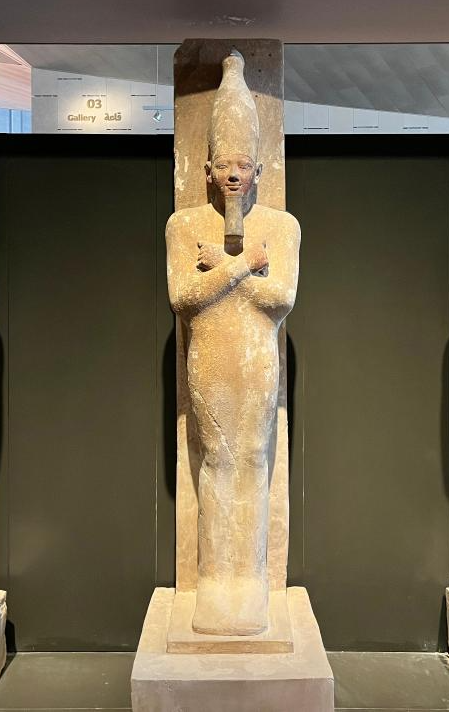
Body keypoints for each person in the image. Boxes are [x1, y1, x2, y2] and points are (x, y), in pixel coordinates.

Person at [166, 50, 300, 635]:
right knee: (217, 459)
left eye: (243, 165)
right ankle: (217, 580)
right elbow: (183, 298)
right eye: (224, 165)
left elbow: (282, 298)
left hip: (257, 359)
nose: (233, 175)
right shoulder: (184, 225)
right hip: (211, 359)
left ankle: (251, 578)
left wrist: (222, 268)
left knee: (253, 459)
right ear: (207, 170)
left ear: (259, 170)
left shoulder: (282, 226)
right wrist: (245, 264)